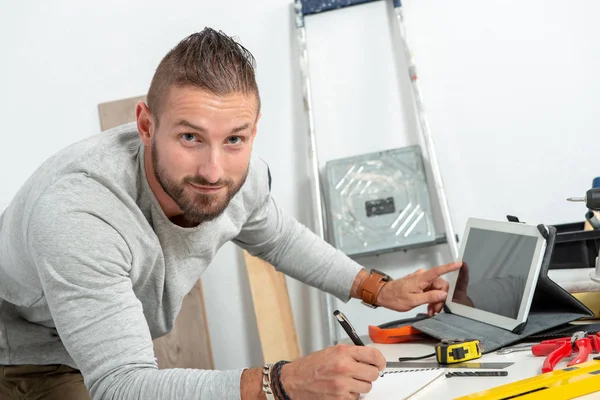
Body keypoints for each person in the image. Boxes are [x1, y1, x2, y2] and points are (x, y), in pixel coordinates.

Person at [0, 27, 462, 400]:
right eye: (190, 138)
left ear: (252, 131)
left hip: (106, 343)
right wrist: (283, 382)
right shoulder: (80, 214)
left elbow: (280, 239)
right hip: (27, 358)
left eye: (234, 139)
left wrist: (380, 290)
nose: (213, 170)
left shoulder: (239, 176)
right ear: (146, 125)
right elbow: (121, 385)